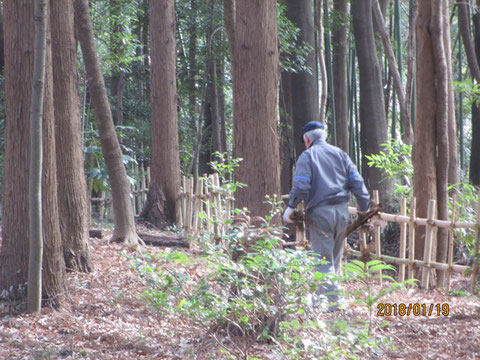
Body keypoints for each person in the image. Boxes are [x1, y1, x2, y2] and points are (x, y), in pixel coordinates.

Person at [283, 121, 370, 311]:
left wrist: (291, 206)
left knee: (323, 260)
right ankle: (321, 299)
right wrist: (364, 208)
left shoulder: (308, 156)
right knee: (333, 258)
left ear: (307, 139)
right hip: (342, 212)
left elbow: (301, 185)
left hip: (320, 213)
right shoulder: (341, 154)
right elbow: (357, 182)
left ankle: (334, 303)